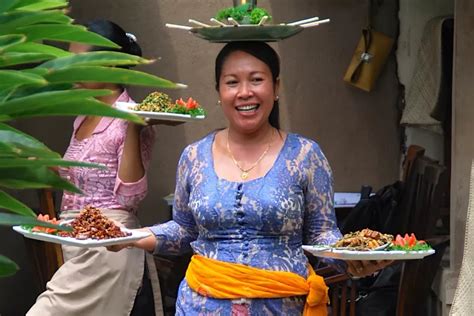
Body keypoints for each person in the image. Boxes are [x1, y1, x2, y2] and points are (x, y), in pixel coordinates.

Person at [110, 41, 390, 315]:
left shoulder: (305, 155)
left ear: (276, 87)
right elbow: (184, 231)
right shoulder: (193, 156)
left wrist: (353, 260)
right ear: (219, 91)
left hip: (282, 306)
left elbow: (321, 235)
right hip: (201, 305)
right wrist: (129, 236)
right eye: (232, 82)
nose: (245, 92)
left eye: (256, 79)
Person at [27, 20, 163, 316]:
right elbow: (86, 180)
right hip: (78, 244)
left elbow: (129, 199)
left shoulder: (133, 119)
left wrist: (133, 127)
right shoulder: (83, 117)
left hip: (109, 250)